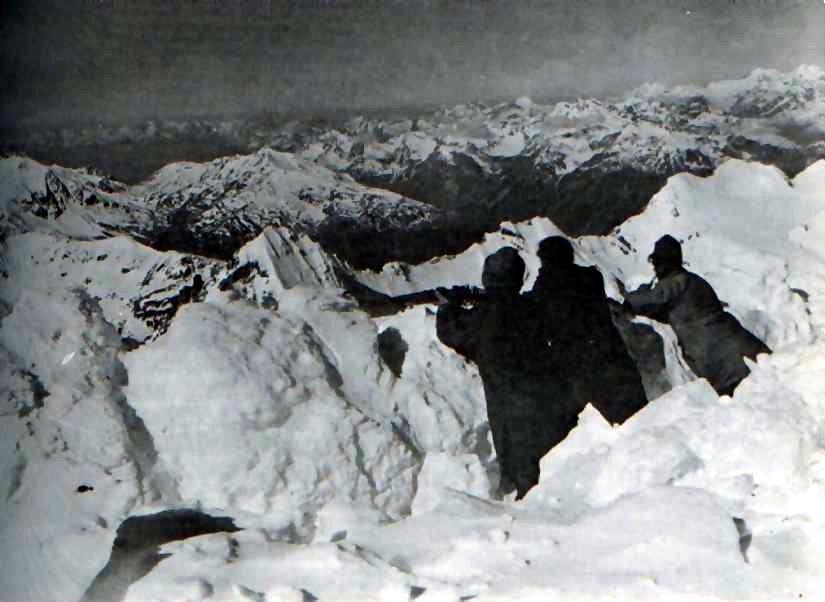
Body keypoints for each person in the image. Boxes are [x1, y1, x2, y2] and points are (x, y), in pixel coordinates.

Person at [436, 247, 568, 499]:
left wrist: (447, 307)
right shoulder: (531, 306)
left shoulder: (484, 316)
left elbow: (452, 333)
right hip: (545, 390)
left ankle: (523, 502)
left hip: (505, 395)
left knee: (515, 451)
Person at [617, 235, 771, 396]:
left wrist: (629, 299)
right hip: (738, 342)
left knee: (743, 397)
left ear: (666, 263)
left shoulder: (676, 283)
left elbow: (650, 299)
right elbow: (671, 311)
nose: (654, 267)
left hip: (718, 355)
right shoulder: (694, 281)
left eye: (657, 262)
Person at [528, 236, 648, 424]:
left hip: (582, 370)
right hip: (613, 358)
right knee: (640, 418)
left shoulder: (544, 289)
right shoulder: (591, 277)